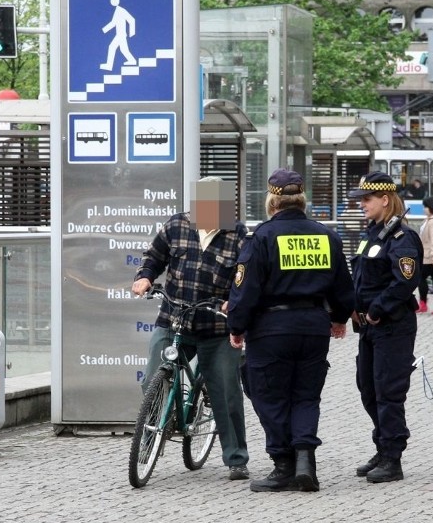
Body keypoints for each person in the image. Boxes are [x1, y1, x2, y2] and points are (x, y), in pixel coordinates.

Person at [227, 169, 355, 493]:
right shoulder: (326, 236)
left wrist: (237, 327)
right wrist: (339, 318)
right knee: (306, 396)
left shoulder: (262, 238)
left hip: (271, 329)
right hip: (313, 327)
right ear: (303, 200)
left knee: (270, 397)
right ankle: (305, 462)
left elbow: (246, 290)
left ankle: (283, 466)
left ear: (272, 200)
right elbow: (344, 287)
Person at [132, 176, 250, 481]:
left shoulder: (237, 235)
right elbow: (153, 257)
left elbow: (245, 277)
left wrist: (232, 302)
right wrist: (145, 277)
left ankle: (236, 458)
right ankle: (149, 441)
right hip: (174, 319)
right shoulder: (176, 226)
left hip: (216, 326)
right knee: (151, 380)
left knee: (225, 391)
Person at [348, 171, 423, 483]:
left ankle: (393, 457)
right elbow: (361, 276)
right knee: (368, 388)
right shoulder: (372, 235)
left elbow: (405, 280)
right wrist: (352, 305)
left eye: (366, 199)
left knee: (388, 391)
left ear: (385, 199)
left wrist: (378, 308)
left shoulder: (402, 238)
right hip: (368, 327)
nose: (362, 204)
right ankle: (382, 445)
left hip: (393, 325)